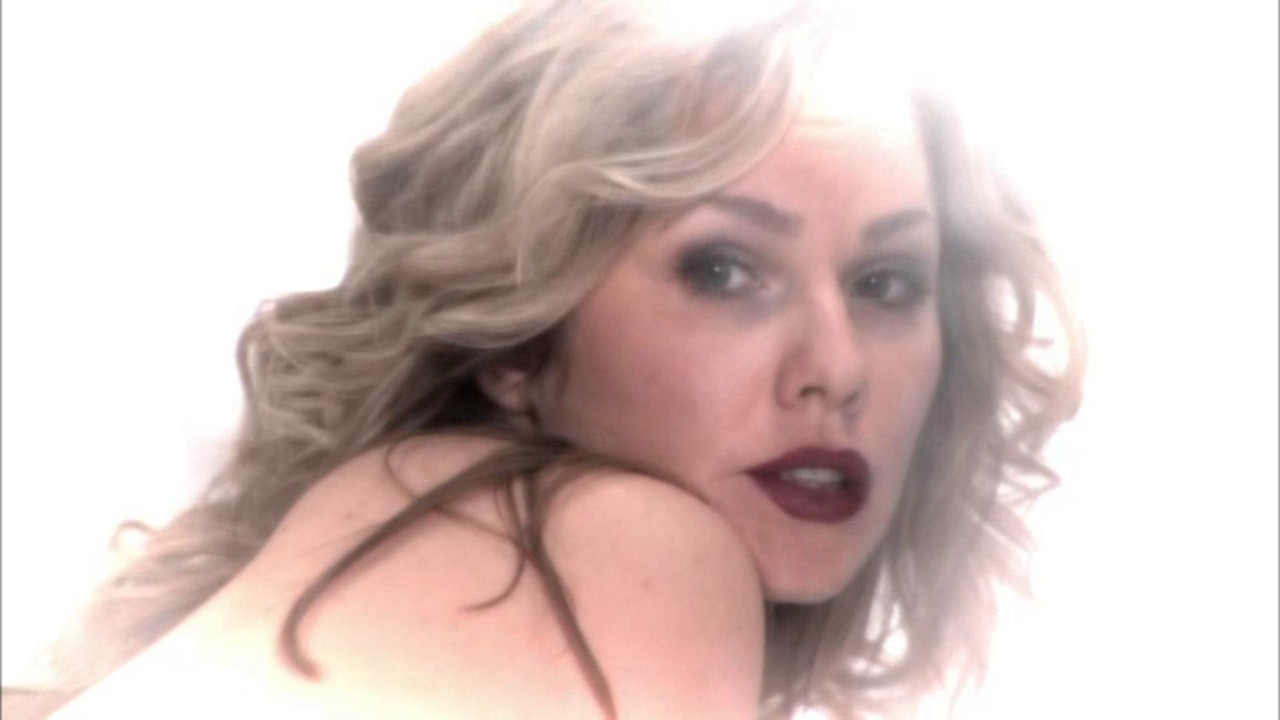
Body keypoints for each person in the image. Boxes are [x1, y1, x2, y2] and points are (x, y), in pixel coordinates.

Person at [7, 0, 1083, 717]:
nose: (836, 366)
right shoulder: (610, 540)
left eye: (884, 284)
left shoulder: (410, 537)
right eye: (722, 270)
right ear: (517, 341)